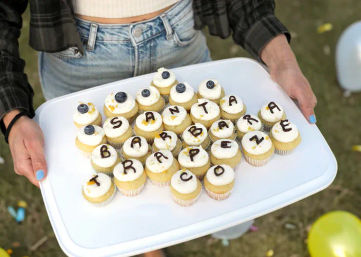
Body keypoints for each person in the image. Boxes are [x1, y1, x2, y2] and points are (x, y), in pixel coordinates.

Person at [0, 0, 317, 256]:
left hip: (180, 42)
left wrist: (282, 61)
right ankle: (145, 248)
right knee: (121, 203)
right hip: (78, 60)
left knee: (215, 172)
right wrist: (11, 113)